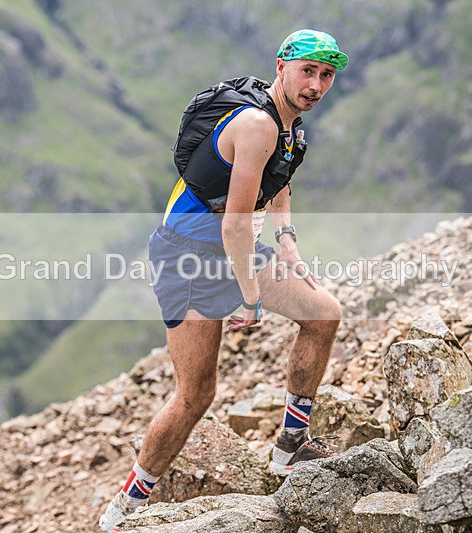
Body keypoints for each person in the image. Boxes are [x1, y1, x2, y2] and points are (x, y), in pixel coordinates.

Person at [99, 29, 348, 532]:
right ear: (281, 67)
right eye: (308, 71)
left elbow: (277, 180)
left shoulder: (290, 126)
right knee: (196, 394)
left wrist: (288, 241)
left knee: (324, 315)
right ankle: (123, 510)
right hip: (187, 257)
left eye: (326, 75)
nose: (317, 85)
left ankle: (290, 448)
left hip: (230, 249)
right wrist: (251, 297)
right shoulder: (257, 123)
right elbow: (234, 222)